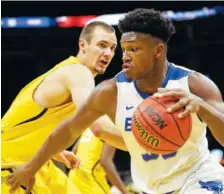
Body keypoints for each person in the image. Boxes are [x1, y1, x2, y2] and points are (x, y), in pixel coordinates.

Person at [7, 8, 224, 194]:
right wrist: (31, 167)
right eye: (123, 48)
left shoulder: (195, 84)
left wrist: (202, 108)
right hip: (151, 186)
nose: (122, 55)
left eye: (133, 49)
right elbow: (74, 129)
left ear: (158, 51)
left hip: (199, 177)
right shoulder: (104, 88)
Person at [2, 21, 118, 194]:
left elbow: (34, 125)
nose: (108, 53)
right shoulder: (78, 73)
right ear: (83, 45)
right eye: (102, 45)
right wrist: (141, 140)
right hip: (10, 167)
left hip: (36, 164)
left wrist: (57, 151)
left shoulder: (70, 74)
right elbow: (98, 126)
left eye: (113, 48)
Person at [67, 129, 128, 194]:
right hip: (91, 180)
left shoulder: (88, 128)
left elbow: (73, 153)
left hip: (73, 178)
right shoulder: (109, 128)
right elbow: (105, 162)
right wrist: (125, 192)